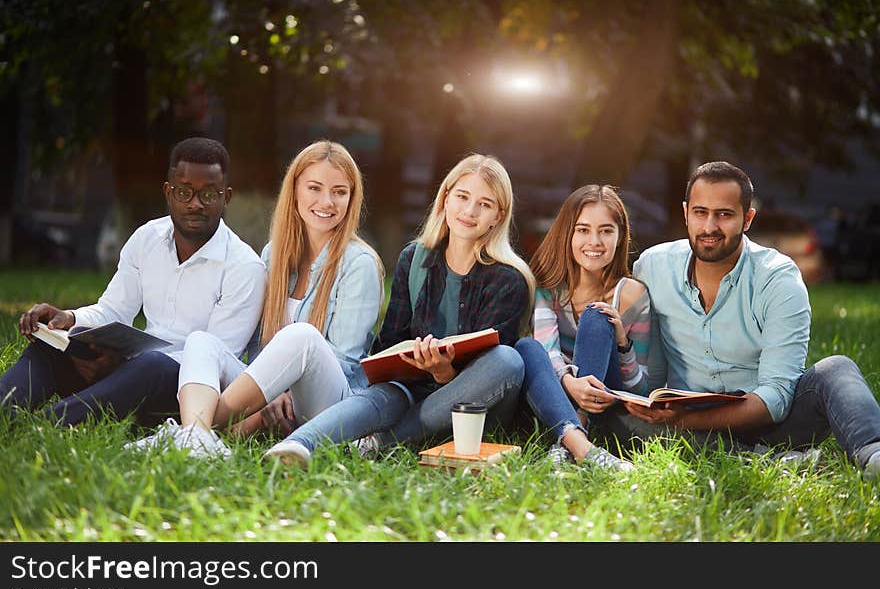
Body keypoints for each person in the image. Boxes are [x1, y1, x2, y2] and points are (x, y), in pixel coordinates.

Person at [592, 161, 880, 480]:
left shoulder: (778, 278)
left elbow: (777, 398)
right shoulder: (653, 267)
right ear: (686, 213)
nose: (710, 226)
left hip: (768, 423)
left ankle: (873, 455)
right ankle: (770, 461)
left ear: (748, 218)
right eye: (700, 212)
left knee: (835, 369)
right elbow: (652, 366)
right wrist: (650, 404)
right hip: (679, 419)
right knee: (617, 419)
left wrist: (686, 422)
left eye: (724, 214)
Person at [262, 153, 535, 468]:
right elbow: (391, 340)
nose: (469, 211)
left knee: (507, 360)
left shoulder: (508, 279)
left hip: (472, 409)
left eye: (484, 205)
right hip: (412, 389)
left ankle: (380, 441)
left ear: (498, 217)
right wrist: (402, 362)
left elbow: (489, 371)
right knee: (381, 395)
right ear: (446, 198)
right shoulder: (414, 259)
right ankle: (296, 444)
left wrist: (444, 372)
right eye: (462, 197)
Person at [128, 140, 384, 458]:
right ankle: (197, 436)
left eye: (340, 192)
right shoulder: (274, 254)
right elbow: (258, 351)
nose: (327, 201)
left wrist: (279, 388)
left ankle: (187, 432)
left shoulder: (359, 263)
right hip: (275, 400)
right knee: (201, 342)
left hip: (331, 407)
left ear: (352, 197)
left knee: (302, 336)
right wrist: (268, 396)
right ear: (295, 192)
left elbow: (344, 364)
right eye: (315, 188)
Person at [0, 137, 266, 427]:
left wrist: (126, 364)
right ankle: (5, 410)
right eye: (184, 192)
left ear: (226, 197)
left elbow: (214, 361)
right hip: (131, 372)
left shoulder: (244, 267)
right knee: (54, 345)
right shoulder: (146, 238)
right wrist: (69, 318)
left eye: (209, 195)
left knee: (152, 365)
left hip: (186, 395)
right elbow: (113, 310)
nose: (195, 204)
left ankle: (48, 425)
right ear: (168, 192)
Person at [514, 185, 647, 471]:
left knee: (597, 317)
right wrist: (569, 383)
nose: (595, 241)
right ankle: (580, 444)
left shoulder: (632, 294)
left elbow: (642, 386)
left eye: (606, 231)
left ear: (620, 236)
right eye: (583, 230)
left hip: (605, 401)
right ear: (568, 234)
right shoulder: (548, 289)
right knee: (526, 347)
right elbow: (547, 355)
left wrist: (623, 345)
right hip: (556, 395)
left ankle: (571, 437)